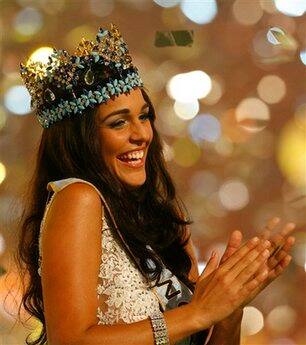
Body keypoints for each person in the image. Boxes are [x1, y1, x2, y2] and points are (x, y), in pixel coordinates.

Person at [15, 23, 296, 345]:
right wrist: (198, 313)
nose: (142, 134)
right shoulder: (79, 197)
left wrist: (229, 309)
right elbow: (71, 340)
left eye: (145, 116)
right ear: (81, 139)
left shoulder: (164, 216)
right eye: (119, 122)